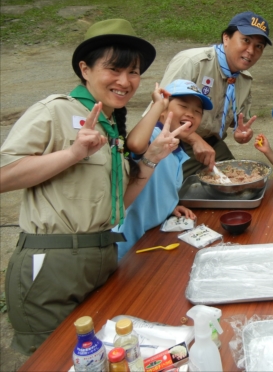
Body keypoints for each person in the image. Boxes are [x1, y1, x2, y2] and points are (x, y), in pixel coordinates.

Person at [0, 19, 186, 354]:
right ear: (85, 69)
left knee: (96, 357)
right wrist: (72, 153)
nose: (125, 81)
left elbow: (118, 204)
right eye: (114, 69)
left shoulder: (109, 124)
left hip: (102, 257)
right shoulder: (56, 111)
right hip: (52, 266)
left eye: (133, 72)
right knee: (52, 361)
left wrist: (151, 161)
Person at [158, 11, 271, 178]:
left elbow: (235, 121)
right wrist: (195, 140)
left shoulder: (244, 79)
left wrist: (240, 133)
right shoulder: (193, 62)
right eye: (246, 40)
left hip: (212, 143)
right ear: (226, 38)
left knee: (240, 181)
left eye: (259, 46)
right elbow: (159, 110)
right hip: (174, 141)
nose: (251, 51)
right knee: (179, 195)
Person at [114, 79, 214, 260]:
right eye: (183, 105)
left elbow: (158, 185)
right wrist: (157, 105)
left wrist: (171, 205)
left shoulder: (177, 150)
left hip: (151, 242)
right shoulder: (153, 137)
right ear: (162, 112)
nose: (190, 114)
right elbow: (135, 144)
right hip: (126, 245)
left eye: (197, 111)